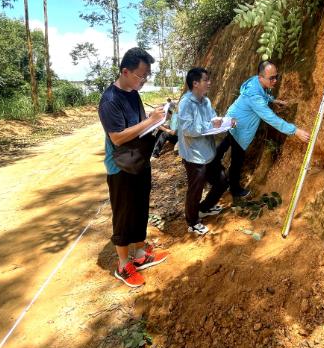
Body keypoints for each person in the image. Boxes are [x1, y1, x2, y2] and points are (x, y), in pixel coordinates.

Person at [98, 47, 169, 288]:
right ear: (125, 71)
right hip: (121, 165)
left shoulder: (132, 92)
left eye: (147, 75)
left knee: (140, 208)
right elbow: (117, 137)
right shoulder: (110, 100)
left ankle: (140, 254)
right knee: (124, 214)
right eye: (141, 76)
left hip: (138, 160)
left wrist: (155, 123)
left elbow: (137, 125)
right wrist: (149, 121)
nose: (144, 80)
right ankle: (123, 264)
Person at [217, 60, 310, 200]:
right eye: (271, 78)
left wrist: (273, 100)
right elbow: (271, 118)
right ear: (261, 77)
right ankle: (234, 189)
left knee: (225, 144)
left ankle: (212, 164)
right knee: (238, 159)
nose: (275, 81)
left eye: (276, 76)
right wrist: (295, 131)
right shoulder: (255, 98)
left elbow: (262, 93)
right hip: (239, 126)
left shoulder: (256, 82)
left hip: (233, 118)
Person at [177, 67, 233, 235]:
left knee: (222, 181)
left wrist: (226, 122)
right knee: (195, 190)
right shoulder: (186, 103)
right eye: (206, 80)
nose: (209, 83)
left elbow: (214, 118)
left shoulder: (205, 101)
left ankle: (205, 208)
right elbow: (187, 129)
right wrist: (209, 126)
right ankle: (192, 222)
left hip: (209, 153)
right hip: (194, 156)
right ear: (195, 83)